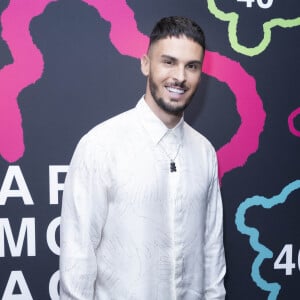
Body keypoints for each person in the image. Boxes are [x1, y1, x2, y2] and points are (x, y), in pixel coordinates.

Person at [60, 16, 226, 299]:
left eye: (192, 66)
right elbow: (78, 262)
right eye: (169, 62)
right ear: (146, 64)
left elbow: (212, 254)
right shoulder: (100, 146)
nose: (180, 77)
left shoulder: (204, 153)